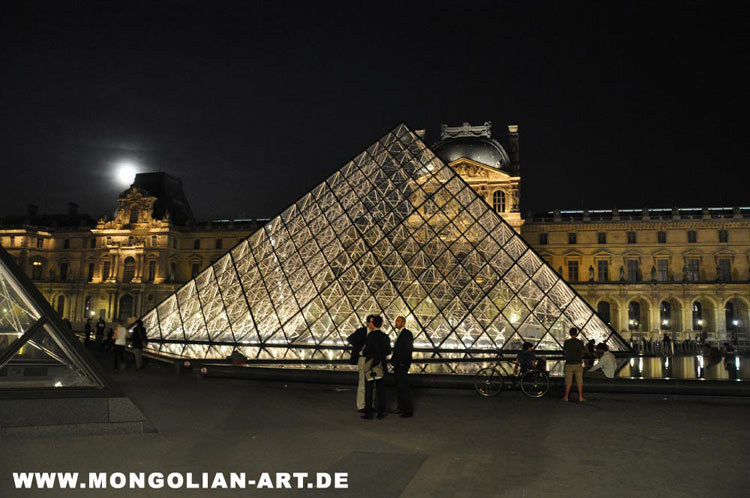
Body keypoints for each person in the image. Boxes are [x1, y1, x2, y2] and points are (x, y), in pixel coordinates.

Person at [361, 315, 391, 420]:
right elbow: (388, 351)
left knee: (369, 390)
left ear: (373, 324)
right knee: (381, 390)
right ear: (381, 324)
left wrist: (366, 352)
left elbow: (366, 350)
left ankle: (368, 413)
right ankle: (381, 413)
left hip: (371, 364)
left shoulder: (371, 336)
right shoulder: (385, 336)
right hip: (381, 365)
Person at [347, 315, 373, 412]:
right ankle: (361, 406)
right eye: (371, 322)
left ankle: (370, 405)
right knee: (362, 383)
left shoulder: (376, 332)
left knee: (371, 384)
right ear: (367, 323)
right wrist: (359, 347)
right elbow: (350, 339)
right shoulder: (361, 331)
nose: (373, 324)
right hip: (362, 359)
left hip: (372, 359)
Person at [390, 316, 414, 418]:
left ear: (404, 323)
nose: (396, 322)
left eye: (398, 321)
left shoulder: (407, 334)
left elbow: (408, 349)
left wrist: (402, 363)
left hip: (401, 365)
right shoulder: (401, 334)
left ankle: (407, 410)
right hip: (398, 364)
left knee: (403, 387)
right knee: (399, 387)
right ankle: (401, 408)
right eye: (396, 321)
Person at [562, 327, 585, 402]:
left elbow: (564, 352)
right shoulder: (580, 342)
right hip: (578, 363)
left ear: (570, 334)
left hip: (569, 363)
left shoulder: (566, 342)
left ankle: (566, 397)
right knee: (579, 382)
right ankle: (580, 397)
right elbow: (582, 353)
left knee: (568, 382)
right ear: (577, 334)